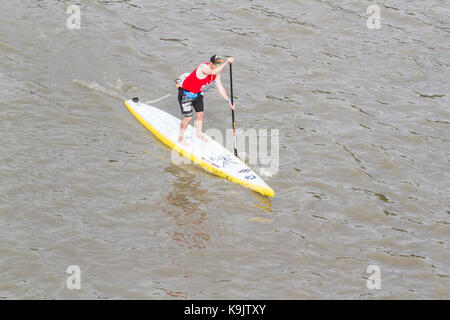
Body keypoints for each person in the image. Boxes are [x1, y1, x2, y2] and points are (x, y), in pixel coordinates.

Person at [175, 55, 235, 145]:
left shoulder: (216, 74)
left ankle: (199, 135)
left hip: (198, 94)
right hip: (186, 93)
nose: (217, 66)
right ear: (210, 63)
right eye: (215, 64)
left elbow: (221, 89)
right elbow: (212, 71)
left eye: (218, 65)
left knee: (200, 115)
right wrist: (227, 62)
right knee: (188, 117)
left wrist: (229, 101)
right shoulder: (203, 67)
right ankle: (181, 137)